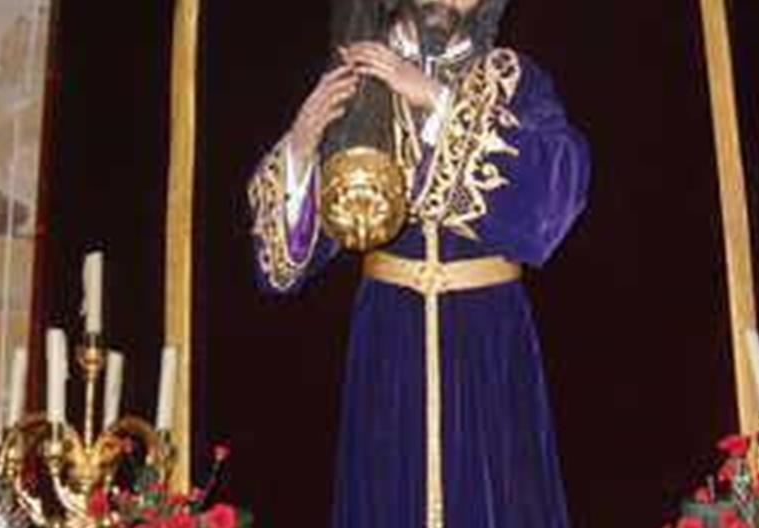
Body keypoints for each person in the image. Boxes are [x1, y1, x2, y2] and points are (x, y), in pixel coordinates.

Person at [247, 0, 591, 526]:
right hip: (390, 339)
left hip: (490, 339)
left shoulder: (512, 78)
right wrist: (301, 146)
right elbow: (286, 267)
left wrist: (437, 101)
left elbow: (555, 196)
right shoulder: (360, 77)